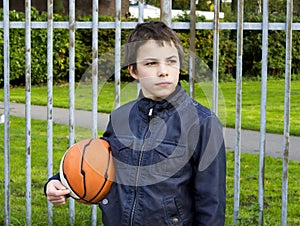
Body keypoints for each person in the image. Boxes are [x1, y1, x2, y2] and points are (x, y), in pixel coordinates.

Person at [45, 20, 226, 225]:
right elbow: (96, 163)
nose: (163, 71)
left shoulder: (203, 123)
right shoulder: (121, 117)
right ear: (133, 71)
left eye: (171, 61)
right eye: (151, 63)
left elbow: (211, 202)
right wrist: (57, 183)